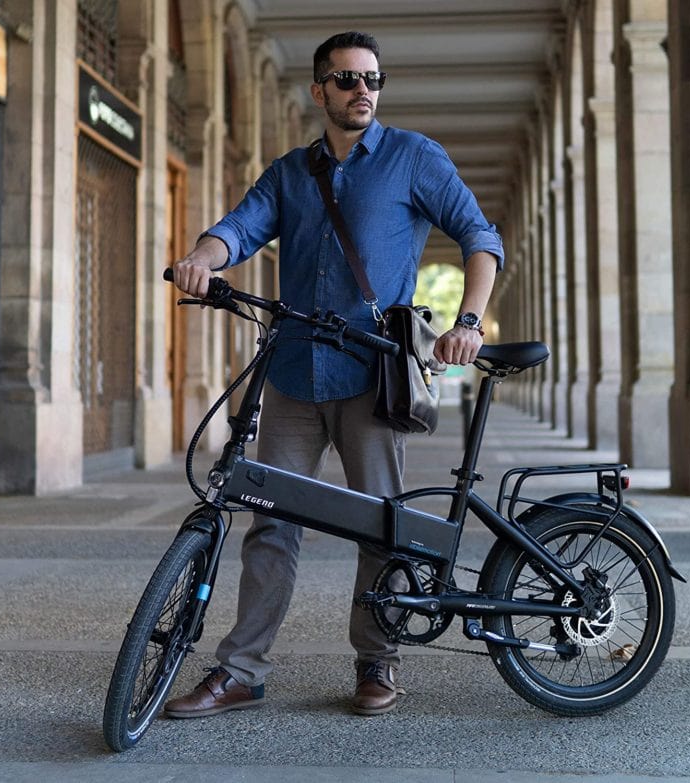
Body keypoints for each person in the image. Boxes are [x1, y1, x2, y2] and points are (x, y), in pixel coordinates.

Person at [165, 30, 504, 719]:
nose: (362, 92)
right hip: (292, 369)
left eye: (373, 80)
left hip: (372, 372)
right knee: (269, 523)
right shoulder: (292, 171)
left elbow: (480, 237)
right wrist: (203, 256)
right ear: (319, 90)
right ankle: (240, 670)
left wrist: (468, 322)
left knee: (381, 525)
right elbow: (238, 225)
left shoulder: (414, 157)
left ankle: (377, 660)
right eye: (347, 80)